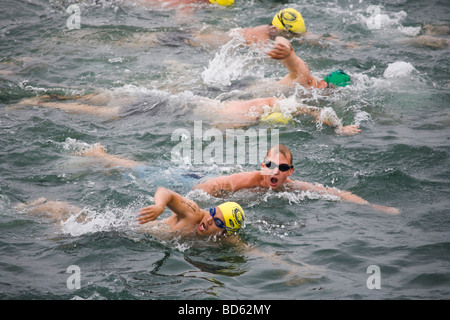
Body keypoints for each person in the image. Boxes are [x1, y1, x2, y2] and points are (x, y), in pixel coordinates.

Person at [193, 144, 400, 215]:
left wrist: (372, 206)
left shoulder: (293, 187)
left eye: (282, 168)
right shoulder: (245, 180)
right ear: (263, 166)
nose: (275, 172)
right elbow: (206, 187)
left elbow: (336, 194)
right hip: (193, 177)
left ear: (290, 172)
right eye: (271, 166)